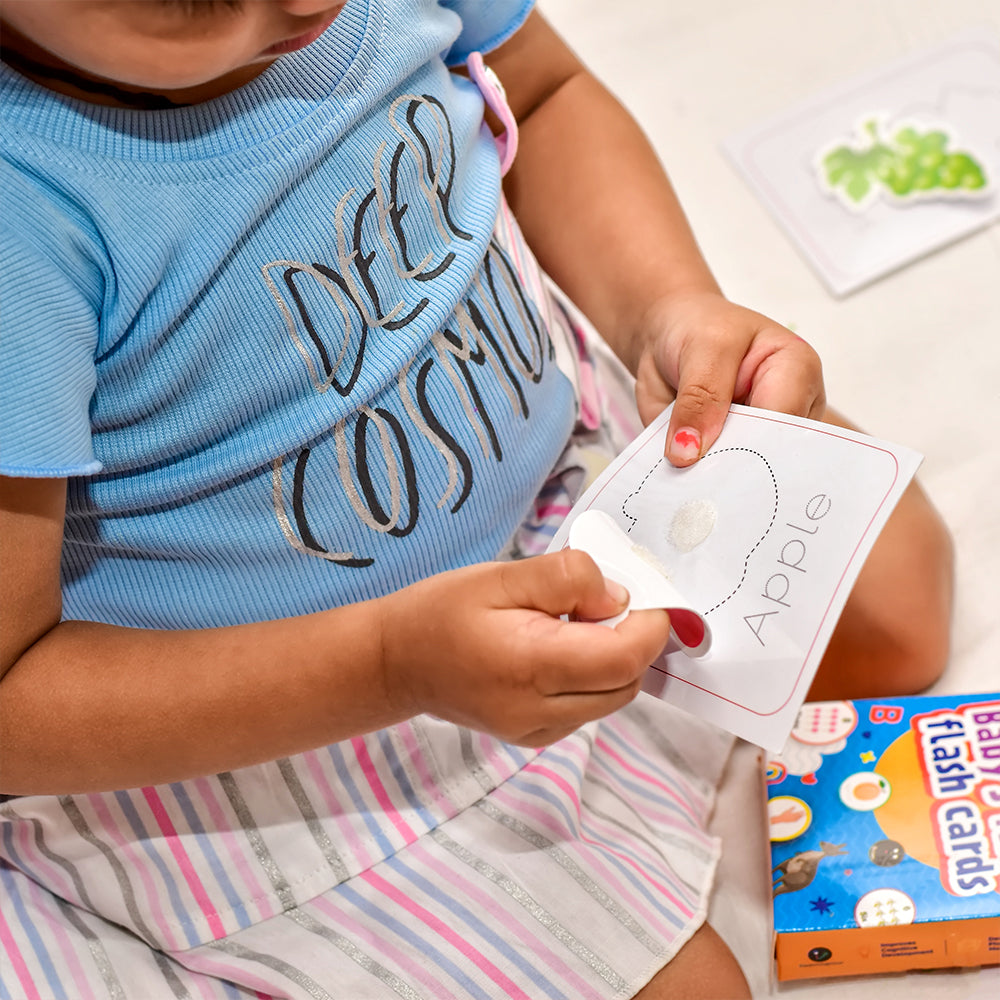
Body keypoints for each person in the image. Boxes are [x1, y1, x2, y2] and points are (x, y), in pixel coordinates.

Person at [0, 2, 952, 997]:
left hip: (566, 486)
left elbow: (542, 92)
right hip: (294, 722)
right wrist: (387, 665)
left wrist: (664, 306)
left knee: (897, 608)